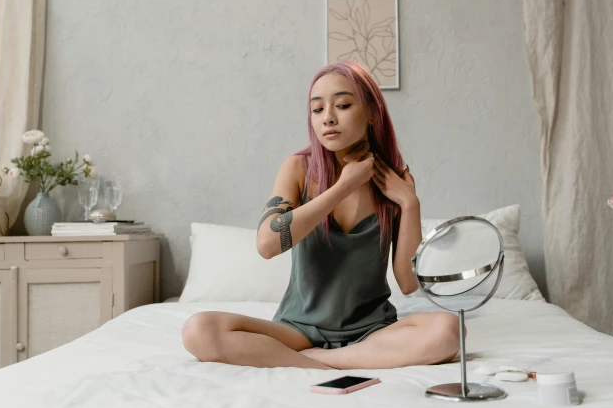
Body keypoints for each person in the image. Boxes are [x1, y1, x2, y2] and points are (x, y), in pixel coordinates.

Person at [182, 61, 460, 369]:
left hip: (371, 331)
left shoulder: (390, 182)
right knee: (199, 330)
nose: (328, 118)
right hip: (297, 330)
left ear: (371, 112)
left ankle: (319, 362)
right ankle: (330, 363)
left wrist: (410, 203)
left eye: (342, 105)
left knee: (447, 331)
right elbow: (267, 244)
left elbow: (408, 284)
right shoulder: (298, 168)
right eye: (317, 110)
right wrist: (343, 187)